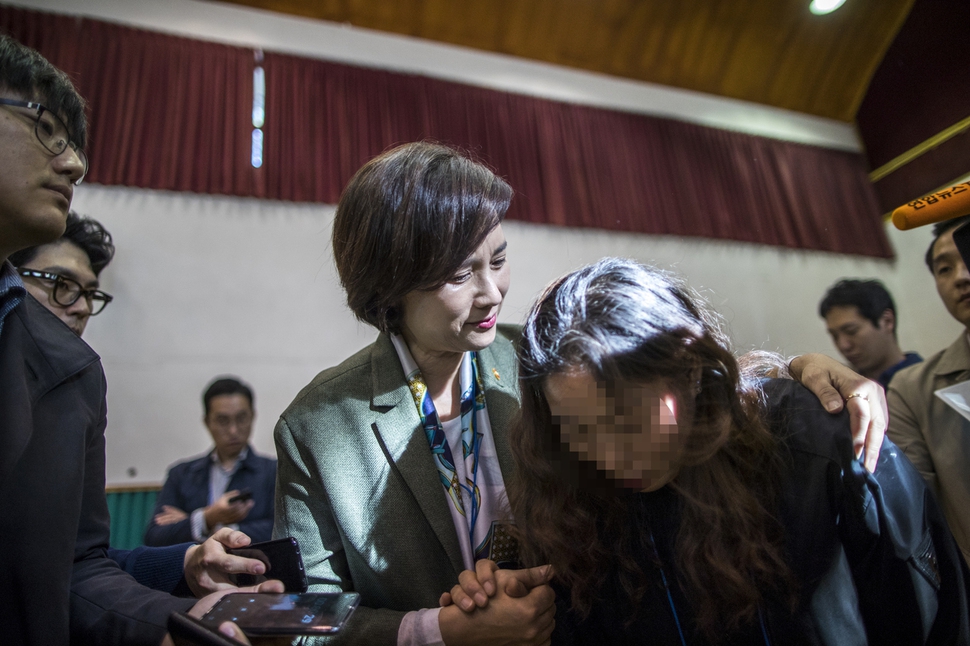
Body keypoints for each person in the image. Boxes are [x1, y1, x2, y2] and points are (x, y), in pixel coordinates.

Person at [273, 141, 891, 645]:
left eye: (499, 257)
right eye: (460, 274)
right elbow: (302, 620)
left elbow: (680, 381)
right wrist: (436, 632)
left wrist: (801, 367)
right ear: (388, 287)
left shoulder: (537, 357)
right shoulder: (318, 426)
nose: (493, 292)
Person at [448, 257, 970, 644]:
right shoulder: (569, 499)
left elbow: (934, 623)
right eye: (576, 430)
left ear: (692, 372)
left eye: (627, 419)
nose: (610, 458)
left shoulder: (822, 447)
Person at [0, 34, 280, 645]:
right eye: (46, 129)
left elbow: (68, 570)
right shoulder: (182, 471)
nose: (75, 163)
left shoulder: (73, 373)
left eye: (88, 295)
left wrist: (172, 616)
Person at [10, 212, 275, 596]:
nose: (81, 307)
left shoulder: (270, 472)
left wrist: (193, 530)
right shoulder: (185, 474)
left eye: (89, 293)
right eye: (61, 284)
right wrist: (209, 517)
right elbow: (153, 533)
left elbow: (80, 562)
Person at [889, 214, 970, 567]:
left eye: (968, 258)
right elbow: (916, 514)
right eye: (944, 269)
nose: (961, 277)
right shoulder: (913, 390)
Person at [147, 376, 276, 547]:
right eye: (223, 421)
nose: (233, 430)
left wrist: (204, 523)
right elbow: (155, 536)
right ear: (207, 422)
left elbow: (280, 530)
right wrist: (208, 517)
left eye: (241, 418)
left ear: (252, 417)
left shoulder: (274, 471)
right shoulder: (181, 474)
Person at [819, 278, 921, 389]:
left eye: (851, 331)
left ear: (887, 321)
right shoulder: (843, 388)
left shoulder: (924, 382)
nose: (843, 346)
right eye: (834, 336)